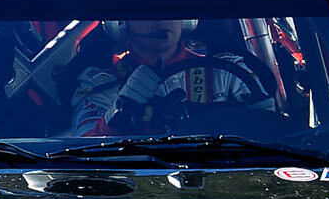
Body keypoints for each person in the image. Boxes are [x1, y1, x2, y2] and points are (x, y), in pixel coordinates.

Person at [70, 19, 275, 136]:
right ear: (120, 23)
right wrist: (119, 113)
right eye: (146, 12)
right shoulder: (100, 83)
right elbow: (81, 149)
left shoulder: (229, 72)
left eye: (170, 10)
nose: (162, 19)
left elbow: (268, 133)